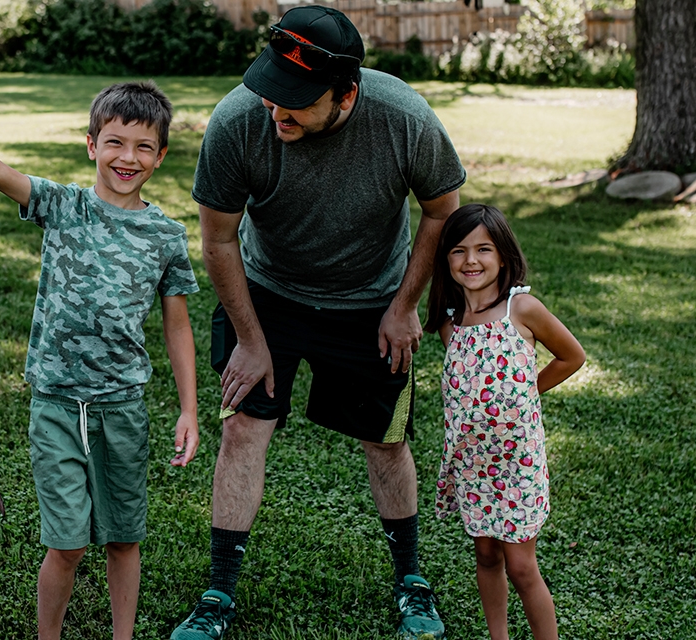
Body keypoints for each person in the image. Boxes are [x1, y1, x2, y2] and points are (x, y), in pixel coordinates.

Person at [171, 6, 465, 639]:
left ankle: (411, 580)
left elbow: (443, 211)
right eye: (274, 90)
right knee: (244, 429)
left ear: (347, 94)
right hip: (267, 292)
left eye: (299, 101)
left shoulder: (405, 119)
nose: (278, 110)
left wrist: (405, 305)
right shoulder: (238, 119)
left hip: (371, 299)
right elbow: (218, 242)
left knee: (385, 440)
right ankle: (219, 592)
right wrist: (251, 341)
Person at [0, 81, 201, 640]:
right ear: (90, 145)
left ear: (161, 155)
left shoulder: (167, 236)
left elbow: (177, 325)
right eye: (115, 142)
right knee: (68, 542)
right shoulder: (63, 205)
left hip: (122, 407)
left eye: (144, 147)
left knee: (125, 537)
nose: (128, 158)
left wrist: (188, 409)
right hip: (55, 404)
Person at [424, 204, 584, 640]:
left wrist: (528, 391)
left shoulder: (522, 308)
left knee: (520, 565)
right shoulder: (451, 323)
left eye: (483, 249)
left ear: (503, 256)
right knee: (487, 556)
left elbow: (573, 356)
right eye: (458, 251)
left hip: (518, 463)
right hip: (473, 464)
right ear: (446, 261)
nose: (471, 261)